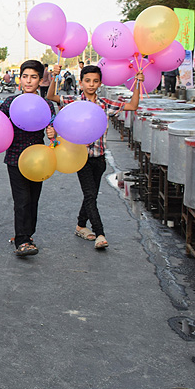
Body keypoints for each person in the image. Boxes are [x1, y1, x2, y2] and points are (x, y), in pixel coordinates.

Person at [47, 64, 143, 250]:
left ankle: (81, 225)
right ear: (81, 83)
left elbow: (132, 105)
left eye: (95, 81)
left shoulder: (105, 104)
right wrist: (54, 77)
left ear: (100, 83)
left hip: (99, 158)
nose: (91, 85)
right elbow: (51, 96)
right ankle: (100, 233)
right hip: (80, 158)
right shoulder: (74, 102)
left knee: (89, 196)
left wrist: (138, 83)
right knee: (90, 195)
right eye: (87, 81)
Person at [0, 60, 57, 257]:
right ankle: (21, 240)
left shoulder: (46, 104)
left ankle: (28, 235)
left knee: (33, 200)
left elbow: (55, 131)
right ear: (20, 79)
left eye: (33, 77)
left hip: (39, 160)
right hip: (15, 158)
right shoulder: (9, 103)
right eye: (25, 76)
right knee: (21, 200)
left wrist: (52, 133)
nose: (28, 81)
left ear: (40, 80)